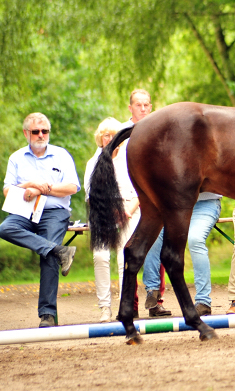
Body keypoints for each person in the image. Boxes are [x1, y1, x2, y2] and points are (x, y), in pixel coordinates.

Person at [0, 112, 81, 328]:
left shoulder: (61, 155)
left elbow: (72, 187)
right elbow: (8, 190)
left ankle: (47, 315)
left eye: (45, 131)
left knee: (47, 259)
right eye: (36, 131)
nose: (41, 135)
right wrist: (29, 185)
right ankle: (58, 250)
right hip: (24, 211)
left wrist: (45, 188)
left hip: (54, 212)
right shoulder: (16, 158)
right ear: (26, 133)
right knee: (5, 228)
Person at [122, 89, 172, 318]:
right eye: (138, 105)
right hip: (122, 202)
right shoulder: (119, 134)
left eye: (146, 105)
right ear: (130, 107)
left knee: (156, 238)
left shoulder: (159, 131)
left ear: (151, 107)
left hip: (148, 199)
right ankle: (129, 306)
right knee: (128, 248)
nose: (143, 108)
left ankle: (153, 297)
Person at [85, 117, 137, 322]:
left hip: (128, 210)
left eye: (115, 135)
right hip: (102, 211)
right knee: (100, 256)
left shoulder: (129, 159)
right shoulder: (93, 163)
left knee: (125, 257)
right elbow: (90, 197)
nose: (111, 139)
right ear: (100, 138)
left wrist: (126, 212)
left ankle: (125, 307)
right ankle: (104, 308)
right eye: (107, 135)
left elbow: (138, 193)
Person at [145, 193, 222, 316]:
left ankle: (203, 301)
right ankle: (152, 290)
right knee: (153, 236)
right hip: (177, 204)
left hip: (205, 203)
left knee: (195, 239)